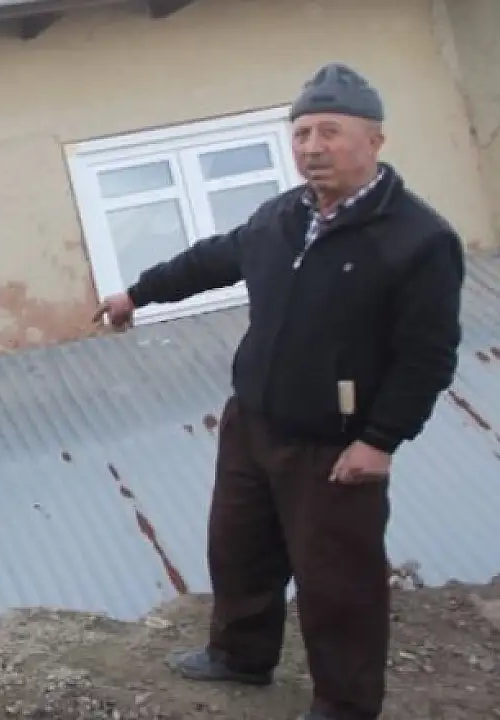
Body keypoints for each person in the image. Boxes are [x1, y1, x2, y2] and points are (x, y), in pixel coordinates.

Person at [92, 63, 465, 720]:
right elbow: (215, 257)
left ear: (374, 140)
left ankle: (345, 704)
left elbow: (427, 357)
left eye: (330, 131)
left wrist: (380, 441)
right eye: (301, 133)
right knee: (239, 550)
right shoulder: (284, 215)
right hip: (255, 422)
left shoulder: (419, 240)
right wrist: (138, 293)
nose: (312, 147)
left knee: (338, 583)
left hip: (336, 445)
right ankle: (240, 656)